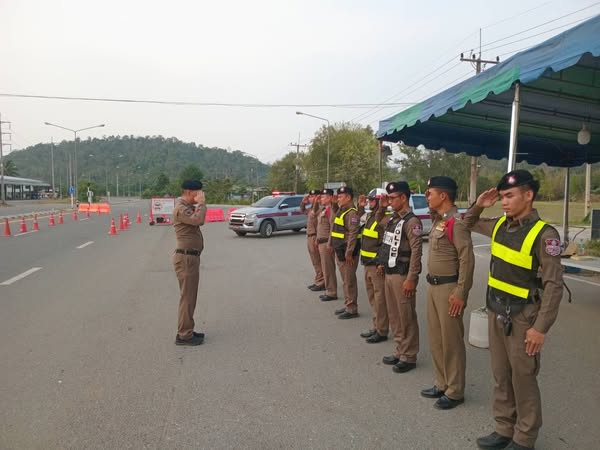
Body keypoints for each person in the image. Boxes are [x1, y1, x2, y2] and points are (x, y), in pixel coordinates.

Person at [463, 170, 563, 450]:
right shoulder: (498, 225)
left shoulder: (545, 235)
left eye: (509, 196)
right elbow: (465, 223)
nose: (504, 202)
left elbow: (554, 285)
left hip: (523, 317)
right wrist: (479, 205)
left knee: (523, 378)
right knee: (501, 374)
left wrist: (540, 328)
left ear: (528, 195)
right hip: (497, 311)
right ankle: (504, 428)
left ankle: (525, 437)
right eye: (502, 197)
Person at [420, 176, 475, 410]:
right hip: (433, 287)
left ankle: (455, 390)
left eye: (430, 193)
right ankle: (441, 382)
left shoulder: (456, 223)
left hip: (448, 289)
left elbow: (466, 260)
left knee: (451, 341)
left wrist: (461, 292)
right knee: (436, 339)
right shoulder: (439, 220)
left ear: (443, 195)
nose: (426, 196)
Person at [376, 181, 423, 373]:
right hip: (389, 272)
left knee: (406, 316)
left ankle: (409, 355)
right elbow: (380, 224)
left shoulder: (412, 222)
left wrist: (411, 278)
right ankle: (400, 350)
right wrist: (381, 208)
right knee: (394, 315)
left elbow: (416, 252)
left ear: (403, 198)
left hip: (402, 275)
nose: (389, 201)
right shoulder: (394, 219)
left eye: (392, 198)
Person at [172, 179, 207, 346]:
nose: (201, 195)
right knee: (187, 298)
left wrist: (198, 204)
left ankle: (188, 329)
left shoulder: (186, 207)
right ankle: (184, 335)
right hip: (186, 258)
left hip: (190, 257)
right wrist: (201, 204)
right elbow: (198, 220)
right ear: (189, 192)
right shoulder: (181, 208)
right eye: (198, 193)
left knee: (190, 297)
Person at [358, 188, 392, 342]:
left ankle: (382, 330)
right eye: (369, 200)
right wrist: (360, 207)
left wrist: (381, 263)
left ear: (379, 201)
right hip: (367, 263)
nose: (369, 202)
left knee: (380, 300)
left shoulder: (385, 218)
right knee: (373, 298)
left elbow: (385, 244)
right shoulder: (370, 216)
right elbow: (357, 220)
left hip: (376, 265)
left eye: (372, 200)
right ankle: (376, 325)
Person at [330, 186, 361, 319]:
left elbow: (353, 234)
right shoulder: (342, 211)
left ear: (348, 197)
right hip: (340, 250)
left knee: (349, 281)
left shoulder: (352, 213)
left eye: (340, 197)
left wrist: (349, 252)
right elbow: (335, 229)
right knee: (345, 280)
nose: (338, 199)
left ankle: (352, 308)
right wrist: (331, 243)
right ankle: (348, 303)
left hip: (348, 253)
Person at [316, 189, 338, 302]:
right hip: (321, 242)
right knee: (325, 268)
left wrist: (330, 243)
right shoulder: (324, 209)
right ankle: (329, 289)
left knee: (329, 268)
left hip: (326, 243)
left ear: (330, 198)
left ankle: (332, 292)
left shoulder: (331, 211)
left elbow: (332, 228)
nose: (321, 199)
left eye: (323, 197)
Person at [301, 189, 325, 292]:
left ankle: (321, 282)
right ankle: (318, 280)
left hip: (315, 236)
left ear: (318, 197)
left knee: (319, 261)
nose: (311, 198)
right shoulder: (311, 208)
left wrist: (317, 239)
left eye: (313, 196)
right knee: (315, 261)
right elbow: (303, 211)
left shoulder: (320, 208)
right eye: (310, 197)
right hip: (310, 236)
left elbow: (319, 224)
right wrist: (303, 203)